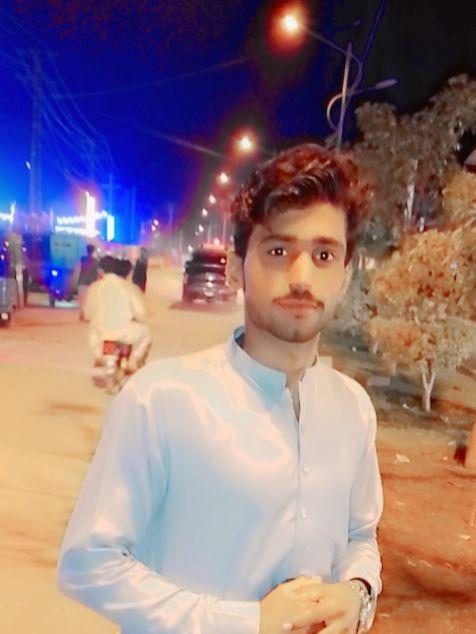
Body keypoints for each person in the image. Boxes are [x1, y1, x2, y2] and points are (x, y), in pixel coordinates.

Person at [58, 144, 383, 634]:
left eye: (323, 255)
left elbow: (361, 535)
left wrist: (355, 593)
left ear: (345, 274)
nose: (301, 278)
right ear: (236, 267)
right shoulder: (162, 400)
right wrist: (247, 622)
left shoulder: (353, 409)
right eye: (278, 251)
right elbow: (89, 563)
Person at [83, 255, 152, 372]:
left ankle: (99, 358)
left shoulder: (94, 287)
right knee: (146, 333)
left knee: (93, 334)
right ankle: (134, 361)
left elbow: (88, 314)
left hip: (99, 331)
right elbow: (141, 312)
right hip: (122, 331)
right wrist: (140, 317)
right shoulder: (129, 288)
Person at [77, 244, 99, 321]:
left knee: (82, 299)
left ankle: (82, 313)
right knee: (88, 299)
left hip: (82, 281)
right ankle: (86, 315)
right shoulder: (96, 261)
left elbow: (79, 270)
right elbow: (96, 273)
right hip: (90, 283)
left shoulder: (82, 259)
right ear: (93, 251)